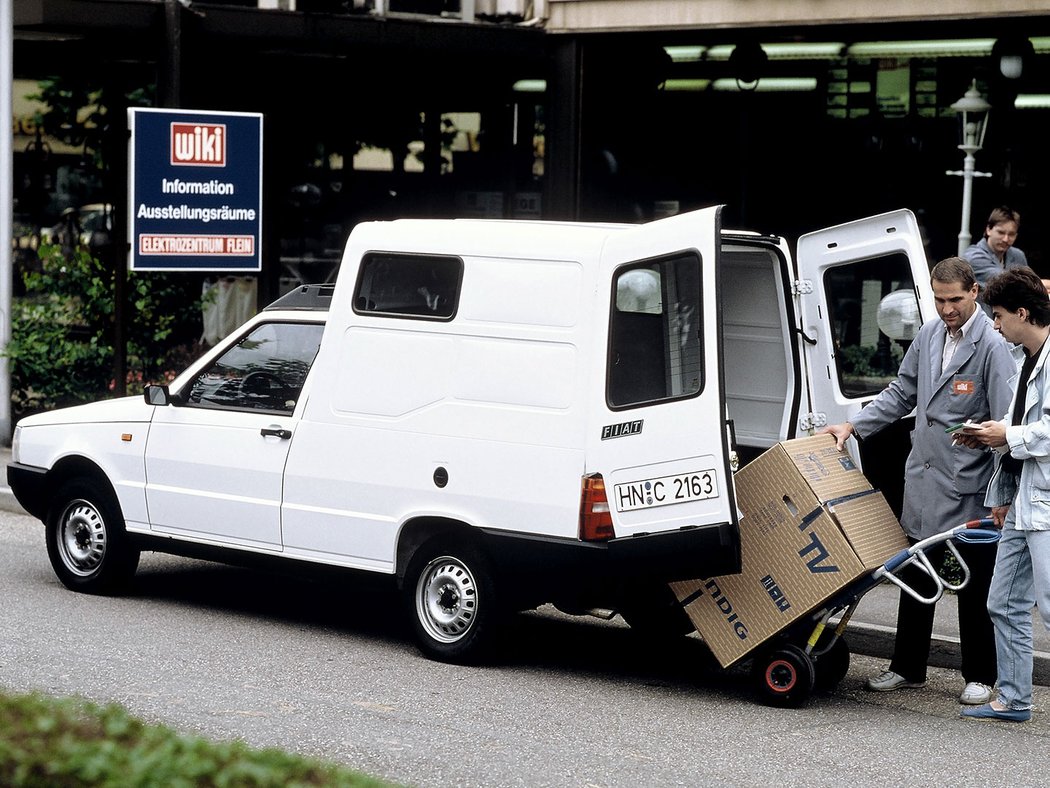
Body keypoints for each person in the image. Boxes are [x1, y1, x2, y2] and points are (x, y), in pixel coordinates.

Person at [820, 257, 1014, 704]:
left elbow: (1005, 424)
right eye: (939, 299)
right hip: (924, 476)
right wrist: (855, 425)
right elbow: (901, 391)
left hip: (968, 483)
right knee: (916, 573)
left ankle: (980, 675)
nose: (947, 309)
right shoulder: (929, 335)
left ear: (974, 294)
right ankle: (908, 667)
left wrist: (1001, 492)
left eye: (955, 300)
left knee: (972, 581)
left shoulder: (993, 345)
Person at [956, 267, 1050, 722]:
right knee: (1004, 602)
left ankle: (1014, 697)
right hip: (1023, 501)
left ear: (1022, 312)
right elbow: (1019, 432)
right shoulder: (1023, 357)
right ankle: (1014, 699)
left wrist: (1006, 434)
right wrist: (992, 441)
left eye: (997, 315)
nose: (994, 324)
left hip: (1046, 507)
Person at [963, 206, 1028, 295]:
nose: (1006, 239)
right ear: (988, 229)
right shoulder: (973, 256)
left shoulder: (1018, 255)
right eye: (1001, 232)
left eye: (1011, 234)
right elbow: (1005, 281)